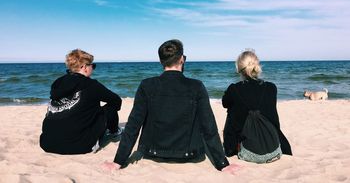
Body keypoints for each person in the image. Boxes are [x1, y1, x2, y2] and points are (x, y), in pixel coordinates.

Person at [103, 39, 240, 173]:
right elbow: (208, 126)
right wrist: (222, 164)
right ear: (181, 59)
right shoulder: (196, 86)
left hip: (152, 152)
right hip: (189, 154)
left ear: (162, 62)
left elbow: (133, 125)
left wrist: (118, 161)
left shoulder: (147, 85)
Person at [40, 49, 123, 154]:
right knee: (109, 109)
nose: (93, 68)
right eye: (92, 66)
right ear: (84, 67)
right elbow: (116, 101)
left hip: (47, 143)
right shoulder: (91, 85)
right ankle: (114, 131)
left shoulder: (58, 82)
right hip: (80, 145)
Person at [222, 49, 292, 158]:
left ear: (239, 69)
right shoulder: (271, 88)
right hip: (274, 147)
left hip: (248, 150)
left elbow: (224, 103)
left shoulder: (234, 89)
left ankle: (231, 149)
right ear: (257, 66)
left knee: (231, 109)